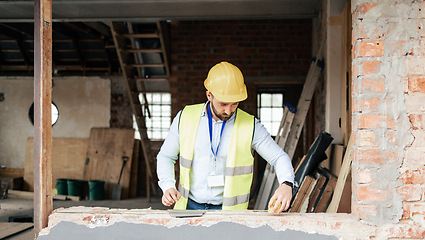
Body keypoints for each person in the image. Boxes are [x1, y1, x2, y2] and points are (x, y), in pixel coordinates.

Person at [156, 61, 294, 213]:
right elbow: (165, 156)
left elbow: (279, 157)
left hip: (229, 212)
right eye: (223, 104)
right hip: (189, 206)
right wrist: (168, 185)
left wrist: (286, 184)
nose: (229, 111)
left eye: (234, 104)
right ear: (209, 95)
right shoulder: (185, 118)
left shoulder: (251, 126)